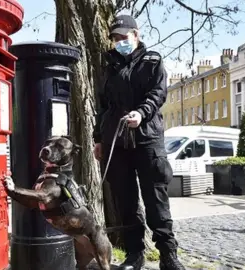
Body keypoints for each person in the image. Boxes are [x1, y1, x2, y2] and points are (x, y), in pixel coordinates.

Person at [92, 14, 185, 270]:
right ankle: (135, 255)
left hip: (147, 139)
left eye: (124, 36)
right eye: (116, 38)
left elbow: (158, 93)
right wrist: (98, 139)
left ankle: (168, 255)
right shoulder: (108, 66)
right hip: (116, 142)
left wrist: (141, 113)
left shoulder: (152, 61)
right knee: (126, 202)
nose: (120, 41)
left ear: (136, 35)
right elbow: (102, 107)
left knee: (156, 201)